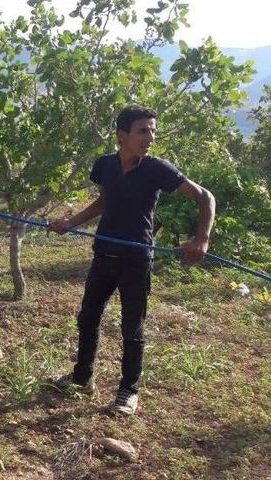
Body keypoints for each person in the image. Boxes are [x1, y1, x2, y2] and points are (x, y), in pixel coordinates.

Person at [49, 105, 216, 415]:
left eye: (153, 130)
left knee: (132, 328)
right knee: (87, 317)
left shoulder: (158, 169)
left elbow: (206, 197)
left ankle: (128, 391)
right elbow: (103, 201)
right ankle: (82, 377)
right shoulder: (104, 166)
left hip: (136, 259)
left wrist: (202, 238)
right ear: (121, 135)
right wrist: (70, 223)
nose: (150, 137)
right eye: (143, 130)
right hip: (104, 254)